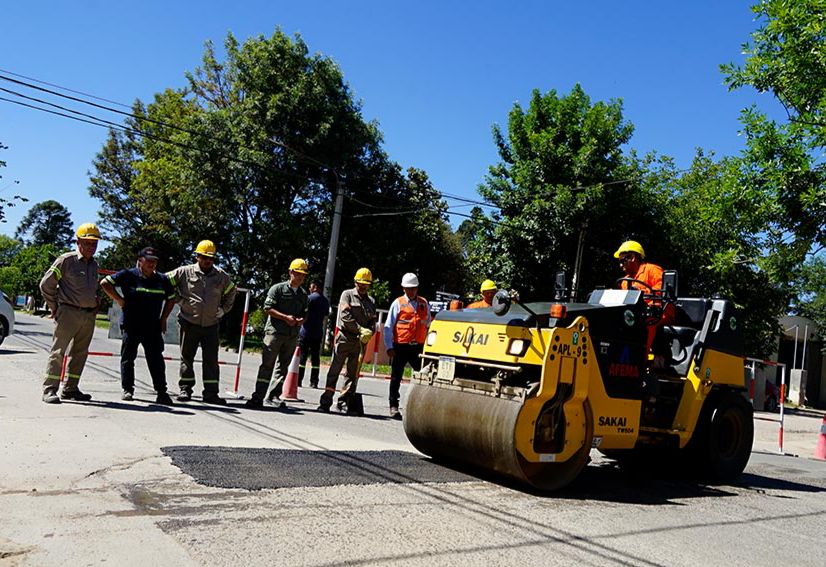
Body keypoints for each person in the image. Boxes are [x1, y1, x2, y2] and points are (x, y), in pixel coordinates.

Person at [100, 247, 177, 405]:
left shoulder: (162, 279)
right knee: (128, 358)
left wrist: (163, 319)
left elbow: (171, 299)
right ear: (140, 261)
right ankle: (128, 389)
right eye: (148, 261)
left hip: (152, 327)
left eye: (154, 261)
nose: (152, 264)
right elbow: (105, 283)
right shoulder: (128, 275)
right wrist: (119, 300)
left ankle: (161, 392)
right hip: (131, 325)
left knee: (156, 359)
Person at [166, 239, 237, 405]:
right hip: (188, 322)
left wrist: (224, 310)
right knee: (186, 357)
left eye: (211, 258)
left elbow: (231, 291)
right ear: (197, 256)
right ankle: (185, 389)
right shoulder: (185, 272)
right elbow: (165, 281)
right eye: (204, 257)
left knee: (211, 360)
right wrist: (179, 300)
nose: (208, 260)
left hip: (211, 325)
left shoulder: (221, 276)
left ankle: (211, 393)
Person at [39, 223, 102, 404]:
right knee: (58, 352)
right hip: (68, 313)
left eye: (94, 243)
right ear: (78, 241)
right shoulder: (66, 260)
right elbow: (46, 284)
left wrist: (95, 301)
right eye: (88, 243)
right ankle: (50, 389)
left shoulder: (94, 264)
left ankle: (71, 388)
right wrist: (54, 307)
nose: (92, 247)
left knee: (80, 353)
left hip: (88, 316)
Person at [245, 259, 309, 408]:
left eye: (303, 275)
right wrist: (285, 317)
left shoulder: (303, 294)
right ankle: (258, 397)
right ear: (291, 272)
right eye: (298, 274)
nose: (300, 277)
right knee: (267, 365)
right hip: (274, 333)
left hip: (292, 335)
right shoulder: (278, 289)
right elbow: (267, 308)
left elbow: (305, 313)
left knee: (283, 367)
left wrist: (300, 320)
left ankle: (274, 396)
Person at [317, 268, 377, 414]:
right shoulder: (347, 295)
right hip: (344, 338)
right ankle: (326, 401)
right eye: (360, 283)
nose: (363, 286)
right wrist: (360, 329)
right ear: (355, 281)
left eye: (366, 284)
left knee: (352, 373)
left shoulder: (371, 301)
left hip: (359, 343)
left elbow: (372, 322)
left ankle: (343, 402)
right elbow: (345, 316)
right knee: (334, 370)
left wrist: (369, 332)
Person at [614, 240, 676, 355]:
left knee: (646, 322)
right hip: (638, 313)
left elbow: (661, 290)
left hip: (659, 312)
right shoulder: (624, 281)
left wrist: (640, 293)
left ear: (633, 257)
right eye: (619, 261)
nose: (620, 265)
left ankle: (641, 358)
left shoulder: (652, 270)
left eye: (623, 260)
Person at [383, 272, 431, 419]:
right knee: (396, 377)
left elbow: (428, 324)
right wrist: (389, 347)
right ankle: (393, 406)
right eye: (408, 288)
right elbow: (388, 326)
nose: (411, 291)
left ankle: (422, 406)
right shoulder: (398, 303)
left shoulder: (424, 303)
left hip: (418, 347)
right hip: (401, 346)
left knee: (423, 376)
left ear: (417, 288)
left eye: (414, 288)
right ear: (403, 288)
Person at [298, 280, 329, 388]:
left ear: (315, 287)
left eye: (311, 287)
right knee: (315, 358)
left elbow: (302, 312)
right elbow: (325, 315)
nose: (310, 289)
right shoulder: (325, 301)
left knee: (302, 357)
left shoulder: (309, 298)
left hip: (306, 332)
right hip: (317, 333)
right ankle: (314, 381)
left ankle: (298, 380)